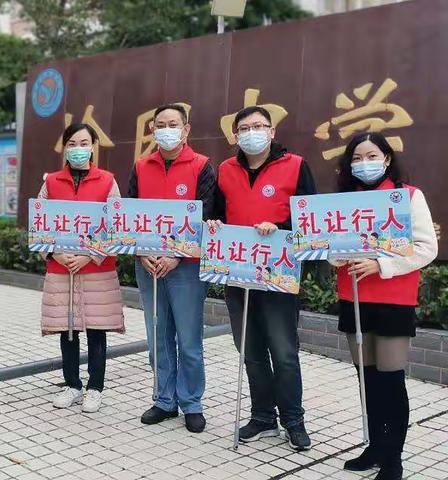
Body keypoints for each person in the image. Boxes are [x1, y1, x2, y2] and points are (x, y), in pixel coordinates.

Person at [208, 106, 316, 451]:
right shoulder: (226, 169)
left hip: (278, 275)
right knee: (250, 350)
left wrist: (280, 229)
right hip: (237, 273)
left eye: (258, 126)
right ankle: (262, 416)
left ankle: (294, 420)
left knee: (284, 352)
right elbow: (216, 213)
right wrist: (213, 224)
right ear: (235, 135)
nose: (251, 132)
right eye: (244, 127)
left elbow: (310, 220)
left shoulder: (296, 166)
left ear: (271, 132)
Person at [331, 132, 438, 480]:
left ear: (387, 158)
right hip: (356, 299)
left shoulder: (408, 197)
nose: (364, 164)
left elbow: (426, 247)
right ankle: (376, 446)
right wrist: (334, 252)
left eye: (371, 155)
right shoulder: (343, 201)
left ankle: (393, 459)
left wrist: (382, 265)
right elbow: (328, 250)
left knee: (390, 381)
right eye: (357, 158)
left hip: (393, 299)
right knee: (368, 378)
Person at [128, 104, 215, 433]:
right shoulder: (140, 166)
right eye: (160, 124)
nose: (166, 129)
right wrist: (140, 252)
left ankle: (192, 402)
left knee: (189, 339)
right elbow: (129, 214)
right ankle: (164, 399)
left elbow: (207, 216)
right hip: (148, 265)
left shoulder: (202, 166)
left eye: (173, 124)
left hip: (186, 267)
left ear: (186, 129)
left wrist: (177, 255)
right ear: (152, 130)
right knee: (158, 337)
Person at [39, 123, 124, 413]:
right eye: (72, 143)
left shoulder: (107, 181)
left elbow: (116, 226)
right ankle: (72, 384)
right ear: (65, 147)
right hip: (62, 269)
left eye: (84, 143)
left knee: (97, 331)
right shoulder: (51, 182)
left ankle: (95, 388)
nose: (78, 149)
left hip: (96, 270)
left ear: (93, 145)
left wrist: (89, 256)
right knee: (68, 329)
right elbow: (39, 225)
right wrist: (55, 253)